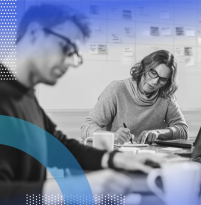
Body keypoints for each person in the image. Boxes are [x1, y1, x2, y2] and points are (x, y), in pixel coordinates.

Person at [0, 4, 164, 204]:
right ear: (35, 33)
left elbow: (59, 146)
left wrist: (116, 159)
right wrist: (75, 188)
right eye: (67, 48)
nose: (71, 62)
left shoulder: (24, 95)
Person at [81, 50, 188, 144]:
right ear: (144, 68)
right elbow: (87, 127)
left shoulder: (166, 96)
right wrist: (112, 137)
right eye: (153, 73)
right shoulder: (116, 89)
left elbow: (183, 130)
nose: (155, 81)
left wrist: (158, 133)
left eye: (162, 79)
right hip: (117, 157)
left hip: (151, 157)